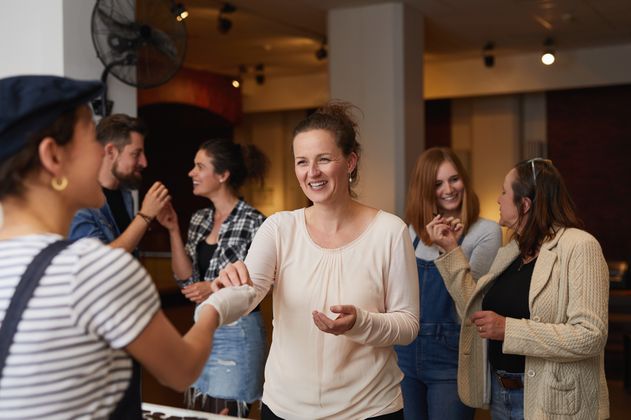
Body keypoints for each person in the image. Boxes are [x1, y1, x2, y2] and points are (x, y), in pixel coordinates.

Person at [0, 75, 255, 418]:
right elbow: (181, 371)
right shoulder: (93, 269)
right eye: (92, 139)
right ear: (53, 156)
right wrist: (218, 306)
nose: (102, 153)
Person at [210, 101, 420, 419]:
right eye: (302, 162)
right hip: (285, 409)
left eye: (324, 159)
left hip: (369, 410)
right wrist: (225, 291)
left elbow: (407, 325)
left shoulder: (389, 231)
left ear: (350, 162)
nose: (312, 173)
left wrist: (360, 323)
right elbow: (248, 294)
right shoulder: (280, 228)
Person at [427, 158, 609, 419]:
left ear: (524, 204)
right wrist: (450, 250)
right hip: (501, 395)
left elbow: (590, 336)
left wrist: (508, 329)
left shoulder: (580, 246)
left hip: (553, 401)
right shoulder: (512, 250)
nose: (498, 199)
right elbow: (476, 311)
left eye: (504, 192)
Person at [156, 138, 268, 417]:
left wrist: (213, 287)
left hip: (238, 332)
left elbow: (256, 285)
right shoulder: (200, 219)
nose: (191, 173)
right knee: (205, 410)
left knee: (225, 412)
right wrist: (173, 230)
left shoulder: (255, 221)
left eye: (199, 166)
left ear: (222, 175)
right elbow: (187, 280)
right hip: (203, 327)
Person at [395, 147, 501, 419]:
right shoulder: (411, 232)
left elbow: (472, 306)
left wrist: (451, 249)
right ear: (424, 190)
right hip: (404, 355)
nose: (449, 189)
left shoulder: (486, 232)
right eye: (437, 184)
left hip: (453, 357)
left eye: (454, 179)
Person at [69, 113, 169, 253]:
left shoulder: (125, 196)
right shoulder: (78, 201)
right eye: (136, 154)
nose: (144, 162)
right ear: (111, 152)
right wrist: (145, 216)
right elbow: (97, 260)